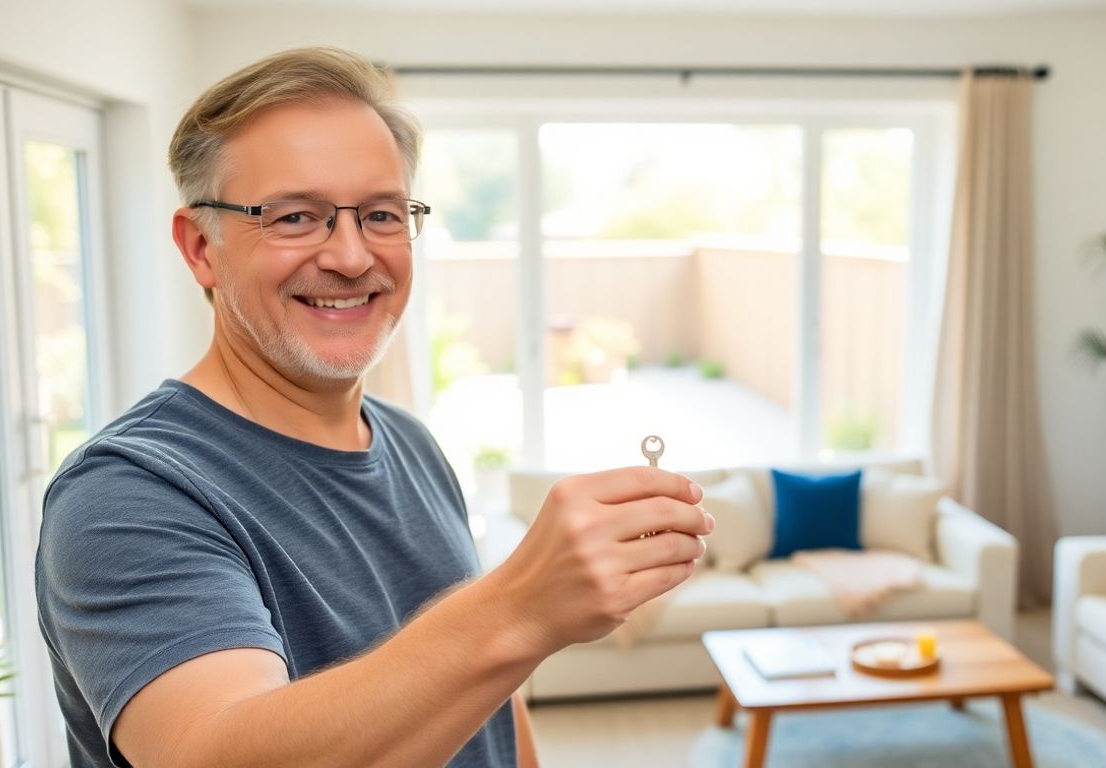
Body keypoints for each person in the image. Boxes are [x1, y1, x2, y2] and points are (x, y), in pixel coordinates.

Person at [35, 46, 713, 768]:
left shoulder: (410, 443)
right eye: (297, 216)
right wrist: (521, 605)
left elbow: (492, 698)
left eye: (383, 214)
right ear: (202, 247)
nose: (353, 256)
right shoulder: (126, 495)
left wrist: (518, 629)